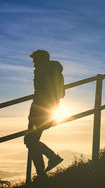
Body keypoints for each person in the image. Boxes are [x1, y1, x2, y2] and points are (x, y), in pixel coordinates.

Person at [24, 50, 64, 180]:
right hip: (51, 110)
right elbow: (62, 94)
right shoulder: (57, 72)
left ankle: (51, 160)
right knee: (32, 141)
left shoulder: (41, 71)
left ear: (41, 60)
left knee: (30, 141)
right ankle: (43, 174)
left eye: (35, 61)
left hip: (39, 110)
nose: (34, 65)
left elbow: (40, 90)